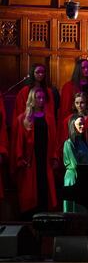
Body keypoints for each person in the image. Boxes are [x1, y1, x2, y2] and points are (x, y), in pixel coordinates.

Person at [11, 87, 58, 216]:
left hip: (44, 157)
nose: (41, 100)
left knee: (44, 189)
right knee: (30, 192)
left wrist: (54, 157)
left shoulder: (49, 118)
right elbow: (18, 141)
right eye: (38, 98)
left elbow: (54, 139)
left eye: (43, 98)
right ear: (32, 99)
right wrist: (20, 158)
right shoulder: (23, 119)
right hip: (31, 159)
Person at [60, 91, 88, 164]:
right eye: (77, 103)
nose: (79, 105)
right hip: (73, 157)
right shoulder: (68, 120)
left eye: (82, 103)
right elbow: (64, 139)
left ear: (86, 104)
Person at [62, 115, 88, 213]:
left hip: (83, 179)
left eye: (84, 124)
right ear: (73, 125)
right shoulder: (68, 143)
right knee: (74, 212)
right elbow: (75, 165)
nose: (83, 126)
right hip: (74, 179)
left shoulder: (85, 143)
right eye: (80, 124)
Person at [59, 58, 88, 124]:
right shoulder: (68, 87)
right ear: (78, 69)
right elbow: (65, 109)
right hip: (73, 121)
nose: (86, 70)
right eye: (83, 68)